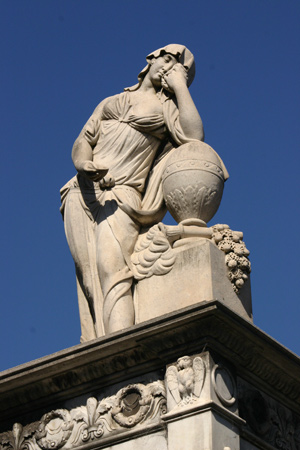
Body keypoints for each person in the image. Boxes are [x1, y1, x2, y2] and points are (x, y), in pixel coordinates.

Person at [60, 44, 204, 342]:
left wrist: (180, 88)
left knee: (113, 271)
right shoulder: (113, 101)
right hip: (81, 192)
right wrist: (84, 163)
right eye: (167, 59)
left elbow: (194, 137)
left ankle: (121, 347)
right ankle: (99, 341)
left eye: (179, 68)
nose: (169, 67)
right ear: (151, 59)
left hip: (121, 196)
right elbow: (83, 141)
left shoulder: (168, 108)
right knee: (90, 279)